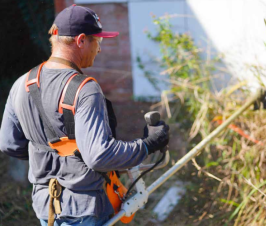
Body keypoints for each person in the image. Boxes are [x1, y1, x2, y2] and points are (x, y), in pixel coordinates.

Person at [0, 4, 169, 226]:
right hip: (85, 211)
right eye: (97, 41)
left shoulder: (21, 84)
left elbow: (9, 144)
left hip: (46, 208)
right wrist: (147, 145)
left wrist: (50, 158)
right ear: (81, 40)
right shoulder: (85, 89)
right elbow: (99, 156)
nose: (99, 49)